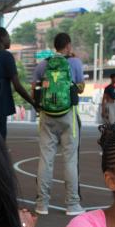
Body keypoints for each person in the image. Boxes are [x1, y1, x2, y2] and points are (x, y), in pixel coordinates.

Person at [32, 32, 86, 216]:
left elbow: (35, 89)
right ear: (68, 46)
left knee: (46, 159)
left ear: (55, 46)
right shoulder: (75, 63)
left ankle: (42, 203)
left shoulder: (43, 64)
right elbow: (80, 87)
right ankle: (72, 204)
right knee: (70, 159)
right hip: (68, 114)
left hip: (47, 115)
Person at [0, 26, 38, 141]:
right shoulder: (6, 56)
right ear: (2, 38)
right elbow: (17, 85)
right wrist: (32, 102)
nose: (10, 40)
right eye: (8, 37)